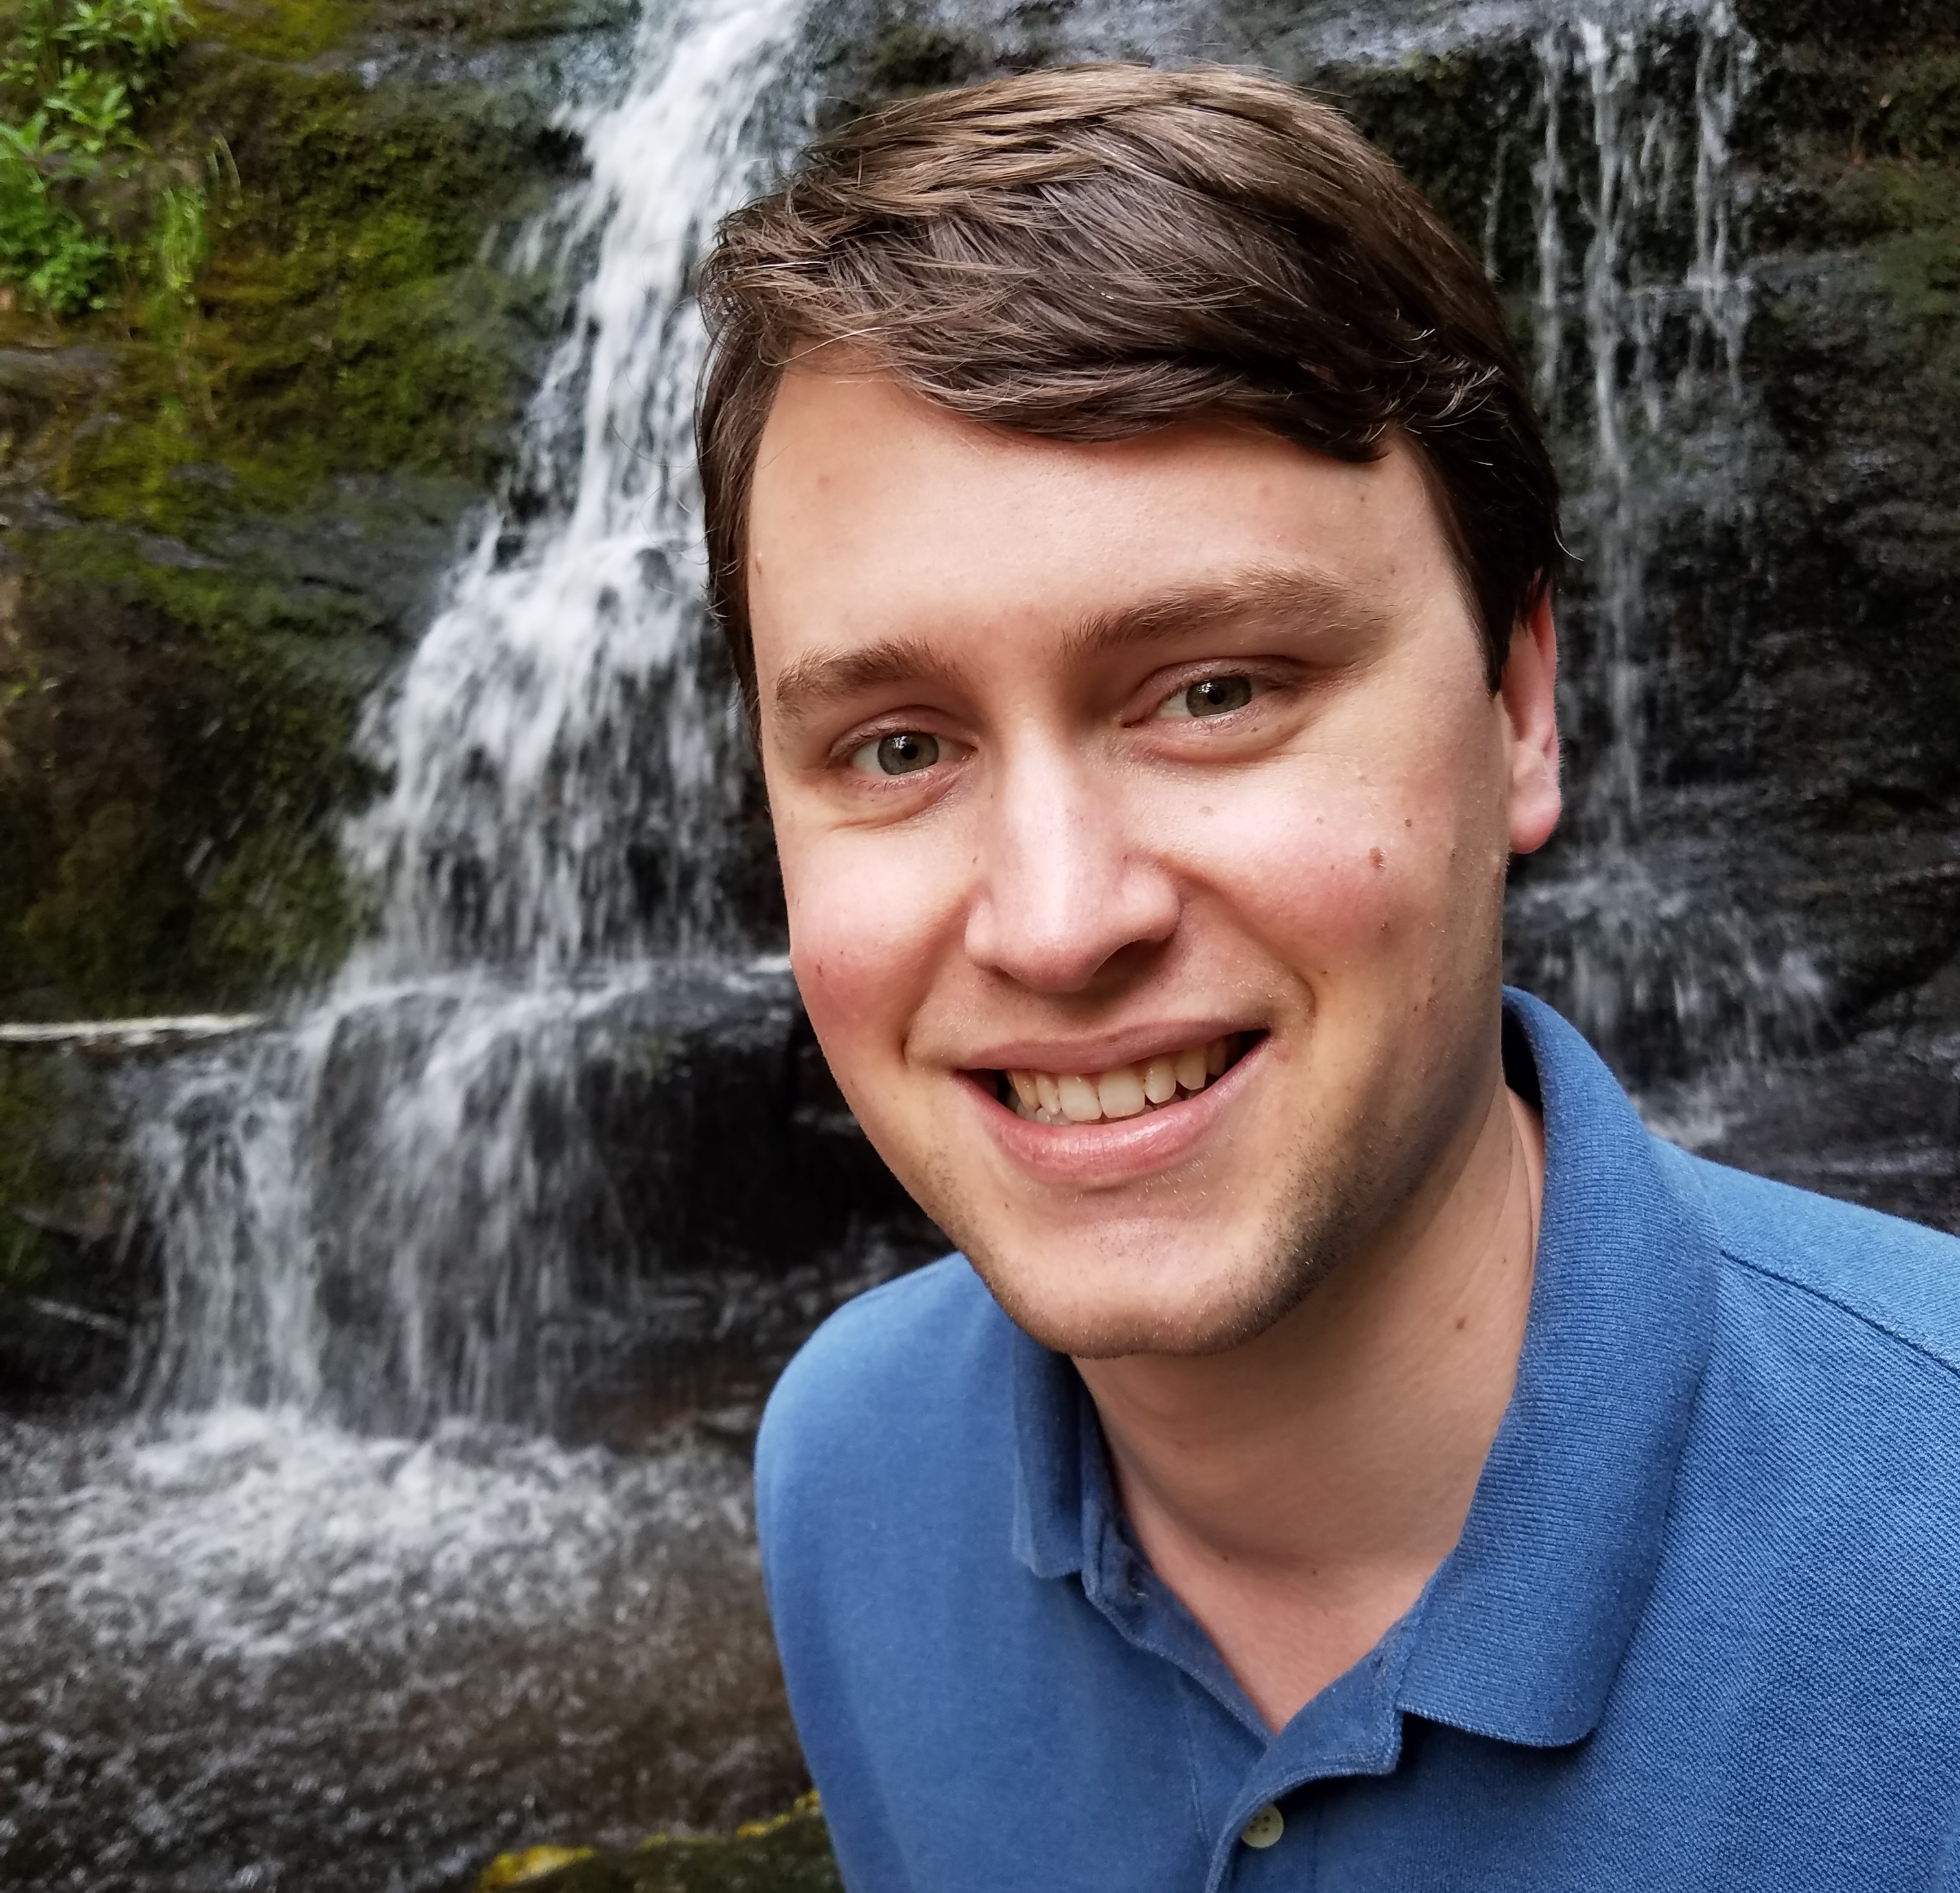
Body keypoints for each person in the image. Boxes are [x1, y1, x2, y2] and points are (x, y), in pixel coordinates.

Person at [693, 63, 1960, 1892]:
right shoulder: (851, 1470)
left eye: (1217, 691)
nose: (1057, 923)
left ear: (1523, 709)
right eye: (898, 748)